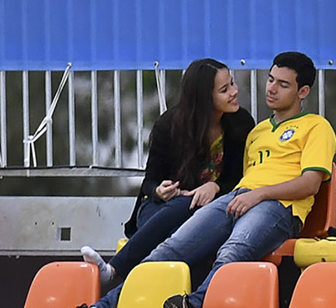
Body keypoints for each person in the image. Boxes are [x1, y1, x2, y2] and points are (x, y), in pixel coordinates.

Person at [44, 51, 336, 308]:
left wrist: (258, 195)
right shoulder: (257, 131)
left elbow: (310, 183)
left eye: (283, 84)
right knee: (168, 251)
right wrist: (238, 194)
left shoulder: (317, 127)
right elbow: (239, 177)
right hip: (238, 199)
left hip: (278, 207)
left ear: (303, 91)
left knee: (231, 252)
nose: (271, 88)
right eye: (270, 79)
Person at [82, 57, 255, 289]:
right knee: (180, 212)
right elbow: (149, 182)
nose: (235, 92)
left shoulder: (240, 123)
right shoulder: (170, 124)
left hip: (207, 211)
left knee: (186, 218)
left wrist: (215, 187)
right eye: (225, 90)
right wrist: (159, 190)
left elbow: (241, 178)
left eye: (232, 84)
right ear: (204, 97)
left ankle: (114, 271)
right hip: (159, 208)